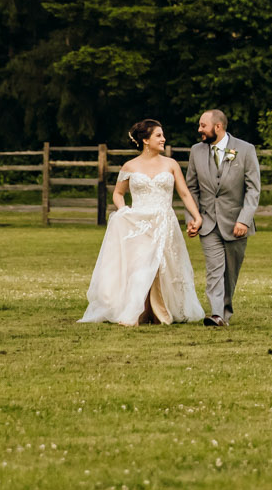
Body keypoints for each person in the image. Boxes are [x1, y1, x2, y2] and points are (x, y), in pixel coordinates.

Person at [79, 119, 207, 325]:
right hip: (138, 223)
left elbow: (184, 193)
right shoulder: (130, 166)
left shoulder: (171, 164)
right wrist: (124, 213)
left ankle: (160, 310)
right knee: (140, 266)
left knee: (163, 267)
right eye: (159, 135)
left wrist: (197, 216)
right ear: (146, 140)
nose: (163, 139)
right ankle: (138, 310)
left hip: (164, 222)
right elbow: (118, 194)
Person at [188, 109, 260, 327]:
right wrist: (193, 218)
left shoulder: (246, 150)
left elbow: (253, 189)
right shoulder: (196, 151)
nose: (199, 130)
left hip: (236, 223)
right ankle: (217, 313)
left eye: (203, 125)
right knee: (214, 270)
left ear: (217, 127)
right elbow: (190, 188)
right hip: (208, 223)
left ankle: (225, 311)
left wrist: (244, 220)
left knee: (230, 273)